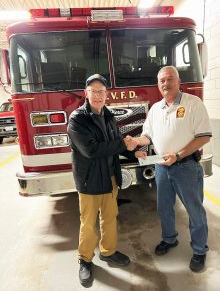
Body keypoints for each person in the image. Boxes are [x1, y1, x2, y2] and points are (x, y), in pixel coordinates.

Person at [127, 66, 212, 272]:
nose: (165, 84)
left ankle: (200, 250)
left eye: (169, 79)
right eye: (161, 80)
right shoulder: (156, 108)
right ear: (158, 84)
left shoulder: (193, 103)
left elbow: (204, 136)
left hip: (186, 166)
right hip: (161, 167)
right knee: (164, 207)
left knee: (194, 210)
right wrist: (135, 141)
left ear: (178, 81)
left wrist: (179, 155)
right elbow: (148, 135)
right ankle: (169, 239)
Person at [67, 74, 138, 287]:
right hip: (90, 181)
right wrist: (124, 145)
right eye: (93, 91)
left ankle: (108, 252)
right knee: (88, 223)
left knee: (110, 217)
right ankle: (85, 260)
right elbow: (91, 150)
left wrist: (134, 154)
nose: (98, 95)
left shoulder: (108, 115)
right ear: (86, 94)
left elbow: (115, 142)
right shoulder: (78, 119)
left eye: (101, 92)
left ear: (107, 94)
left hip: (110, 178)